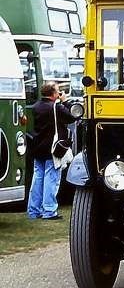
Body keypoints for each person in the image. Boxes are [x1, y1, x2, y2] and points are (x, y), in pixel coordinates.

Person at [27, 81, 77, 220]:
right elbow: (71, 117)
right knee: (52, 179)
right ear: (53, 93)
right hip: (53, 148)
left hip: (38, 146)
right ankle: (49, 210)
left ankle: (33, 210)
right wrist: (65, 101)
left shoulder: (36, 106)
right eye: (57, 91)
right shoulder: (56, 107)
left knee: (37, 179)